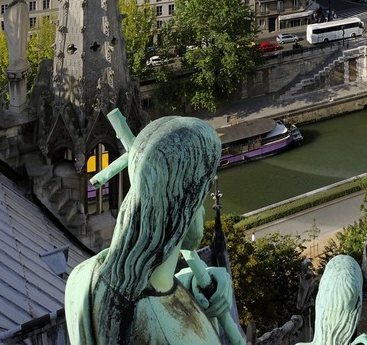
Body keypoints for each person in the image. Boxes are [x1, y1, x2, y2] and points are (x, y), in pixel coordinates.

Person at [66, 115, 238, 345]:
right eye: (204, 193)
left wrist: (188, 283)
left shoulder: (83, 277)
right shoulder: (181, 337)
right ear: (187, 202)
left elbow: (154, 293)